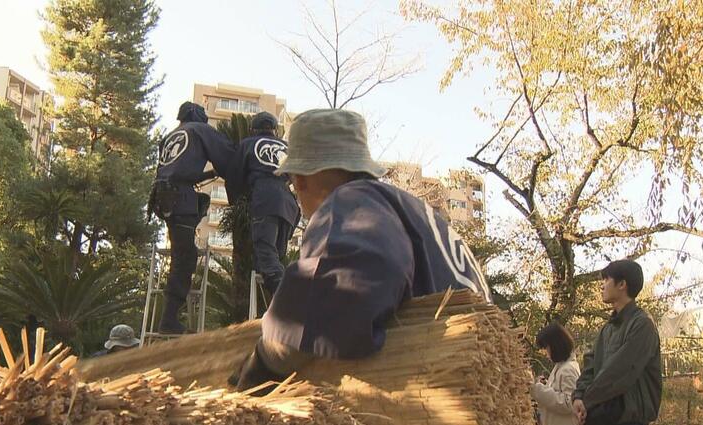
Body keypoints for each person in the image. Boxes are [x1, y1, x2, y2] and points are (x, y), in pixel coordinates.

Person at [230, 107, 491, 391]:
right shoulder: (414, 213)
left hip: (444, 396)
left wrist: (269, 359)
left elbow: (349, 281)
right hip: (481, 388)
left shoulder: (352, 202)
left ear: (300, 178)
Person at [572, 260, 662, 425]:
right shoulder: (607, 329)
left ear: (622, 285)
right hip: (606, 423)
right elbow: (591, 366)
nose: (602, 285)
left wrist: (587, 400)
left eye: (606, 279)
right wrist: (578, 397)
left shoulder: (642, 324)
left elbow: (619, 372)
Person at [149, 102, 234, 334]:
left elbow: (177, 170)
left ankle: (169, 317)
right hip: (180, 198)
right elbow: (227, 156)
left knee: (184, 243)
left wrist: (209, 173)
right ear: (197, 115)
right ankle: (169, 319)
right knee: (185, 256)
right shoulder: (199, 129)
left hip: (163, 197)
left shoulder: (170, 136)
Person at [225, 111, 300, 295]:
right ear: (275, 130)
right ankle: (280, 308)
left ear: (253, 129)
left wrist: (236, 202)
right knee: (276, 255)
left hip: (265, 199)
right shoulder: (288, 147)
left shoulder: (248, 144)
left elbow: (234, 176)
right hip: (289, 205)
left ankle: (288, 303)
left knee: (266, 254)